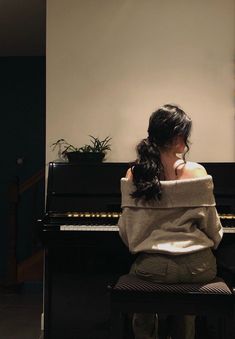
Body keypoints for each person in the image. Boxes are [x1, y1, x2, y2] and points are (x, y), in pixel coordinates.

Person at [118, 104, 223, 339]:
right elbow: (213, 229)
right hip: (199, 268)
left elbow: (126, 231)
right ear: (178, 137)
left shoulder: (135, 174)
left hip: (153, 269)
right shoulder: (197, 173)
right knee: (185, 299)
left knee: (143, 286)